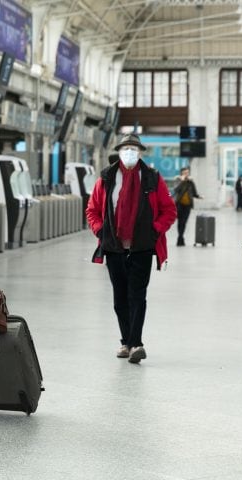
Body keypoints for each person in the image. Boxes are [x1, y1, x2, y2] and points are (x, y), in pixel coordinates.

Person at [86, 134, 177, 364]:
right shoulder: (106, 178)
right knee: (120, 298)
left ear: (140, 153)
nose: (129, 152)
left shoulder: (152, 178)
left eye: (133, 149)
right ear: (118, 151)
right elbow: (92, 210)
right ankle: (125, 341)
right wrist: (100, 231)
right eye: (125, 148)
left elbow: (169, 210)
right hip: (114, 246)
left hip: (142, 246)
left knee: (137, 295)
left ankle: (136, 343)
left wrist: (154, 230)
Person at [173, 166, 203, 246]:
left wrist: (198, 196)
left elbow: (194, 192)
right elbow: (175, 190)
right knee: (180, 222)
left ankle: (180, 237)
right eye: (184, 173)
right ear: (181, 173)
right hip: (179, 204)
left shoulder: (191, 182)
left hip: (188, 205)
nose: (186, 174)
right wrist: (182, 181)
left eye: (187, 173)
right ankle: (180, 238)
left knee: (184, 222)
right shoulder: (178, 180)